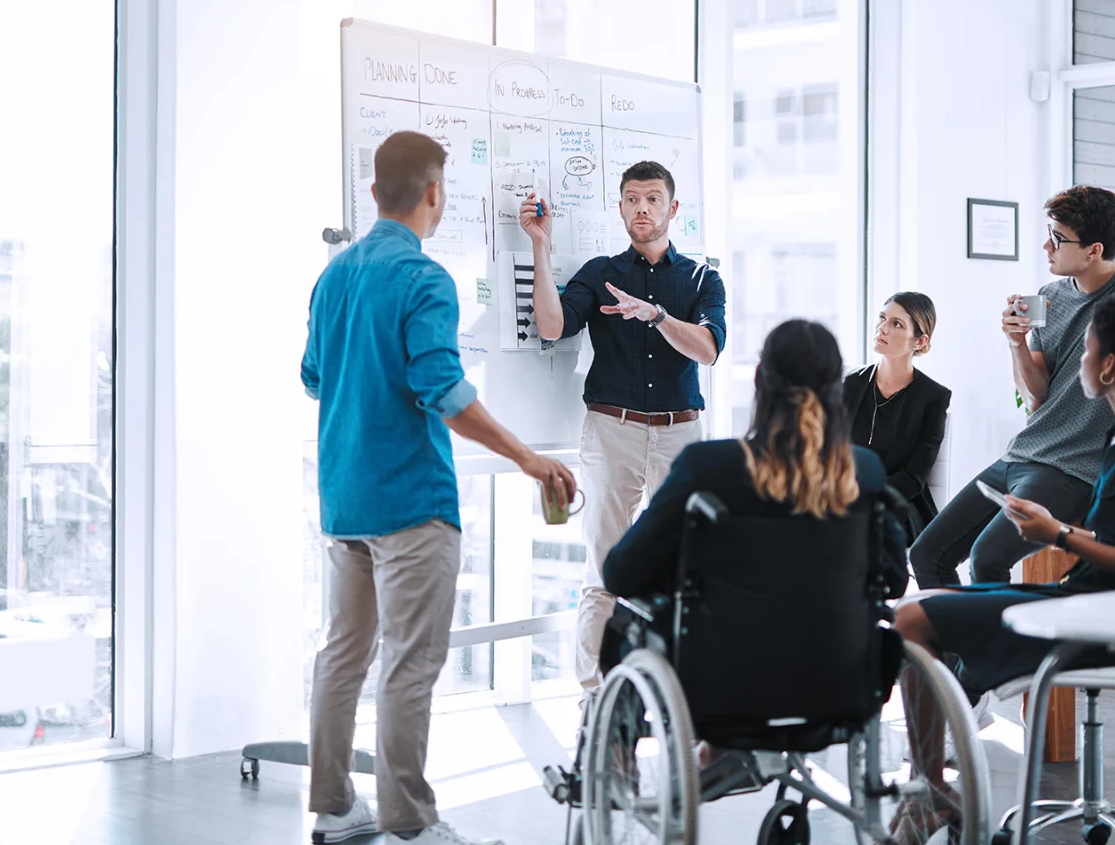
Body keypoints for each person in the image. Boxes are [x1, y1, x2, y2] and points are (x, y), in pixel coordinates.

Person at [301, 131, 576, 845]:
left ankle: (333, 810)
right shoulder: (424, 281)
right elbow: (442, 391)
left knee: (343, 657)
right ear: (434, 194)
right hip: (412, 505)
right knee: (409, 666)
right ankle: (410, 825)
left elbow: (311, 377)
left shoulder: (334, 277)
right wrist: (527, 457)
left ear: (372, 194)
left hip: (345, 500)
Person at [891, 296, 1115, 838]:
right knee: (913, 609)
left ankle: (933, 785)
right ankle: (933, 780)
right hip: (1083, 601)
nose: (1076, 363)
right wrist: (1059, 532)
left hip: (1103, 619)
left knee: (913, 620)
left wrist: (1056, 533)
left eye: (1084, 351)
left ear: (1108, 366)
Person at [519, 160, 726, 704]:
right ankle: (596, 696)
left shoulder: (702, 279)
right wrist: (540, 246)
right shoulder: (600, 270)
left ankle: (679, 692)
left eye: (653, 199)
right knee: (605, 566)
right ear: (620, 208)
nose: (642, 208)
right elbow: (551, 326)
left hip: (681, 434)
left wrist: (656, 315)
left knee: (686, 567)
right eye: (632, 199)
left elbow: (708, 350)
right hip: (613, 431)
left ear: (672, 208)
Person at [909, 186, 1115, 590]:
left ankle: (994, 654)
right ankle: (956, 654)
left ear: (1094, 250)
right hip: (1023, 454)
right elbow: (1037, 395)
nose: (1045, 245)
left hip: (1075, 466)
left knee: (987, 559)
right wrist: (1016, 343)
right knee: (926, 554)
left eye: (1057, 238)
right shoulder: (1049, 298)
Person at [603, 318, 908, 604]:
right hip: (841, 659)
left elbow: (621, 575)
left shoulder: (705, 467)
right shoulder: (862, 471)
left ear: (758, 378)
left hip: (721, 657)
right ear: (836, 391)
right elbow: (894, 582)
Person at [843, 293, 951, 540]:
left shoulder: (933, 397)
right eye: (882, 318)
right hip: (842, 497)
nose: (882, 328)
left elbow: (913, 478)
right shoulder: (849, 385)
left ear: (920, 341)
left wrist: (861, 494)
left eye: (896, 324)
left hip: (897, 504)